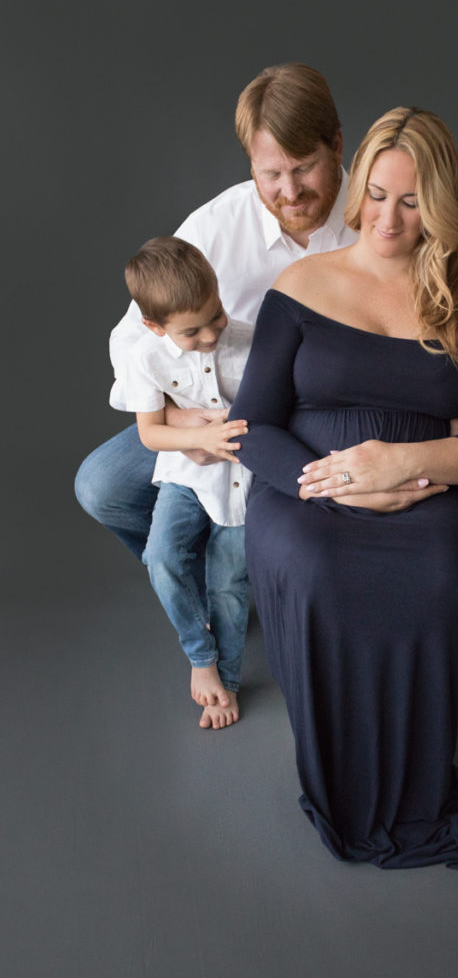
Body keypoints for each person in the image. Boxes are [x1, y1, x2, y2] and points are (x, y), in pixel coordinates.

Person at [230, 107, 458, 871]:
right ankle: (343, 776)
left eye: (409, 200)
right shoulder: (302, 285)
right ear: (355, 187)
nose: (387, 218)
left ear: (439, 205)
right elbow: (251, 426)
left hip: (428, 497)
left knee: (439, 572)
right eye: (374, 194)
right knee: (318, 570)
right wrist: (325, 482)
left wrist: (408, 463)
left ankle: (415, 777)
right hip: (305, 493)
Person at [74, 63, 358, 558]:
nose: (289, 192)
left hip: (328, 420)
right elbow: (131, 338)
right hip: (221, 413)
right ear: (251, 164)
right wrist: (177, 421)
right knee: (102, 486)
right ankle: (208, 578)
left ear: (335, 145)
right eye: (271, 174)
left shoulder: (377, 219)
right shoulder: (216, 225)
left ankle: (260, 569)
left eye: (303, 167)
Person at [123, 236, 253, 729]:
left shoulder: (251, 340)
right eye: (191, 331)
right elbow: (149, 431)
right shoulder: (146, 357)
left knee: (230, 581)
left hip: (244, 479)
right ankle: (202, 657)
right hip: (186, 474)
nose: (210, 335)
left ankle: (230, 682)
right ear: (155, 326)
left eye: (215, 317)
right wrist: (194, 440)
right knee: (161, 556)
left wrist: (232, 435)